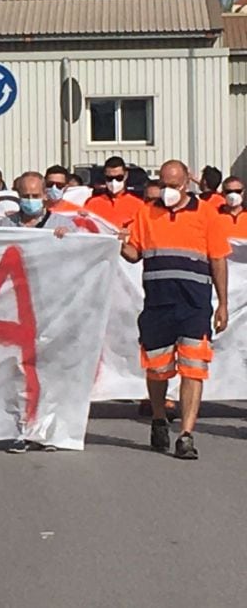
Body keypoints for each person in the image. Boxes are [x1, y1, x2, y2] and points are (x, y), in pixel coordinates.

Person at [121, 160, 229, 460]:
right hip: (158, 304)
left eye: (174, 185)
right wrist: (117, 241)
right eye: (164, 184)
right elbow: (134, 254)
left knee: (193, 369)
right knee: (158, 370)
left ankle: (186, 434)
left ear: (186, 184)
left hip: (194, 305)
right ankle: (158, 418)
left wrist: (222, 304)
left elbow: (218, 260)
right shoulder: (147, 213)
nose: (168, 190)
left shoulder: (207, 214)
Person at [84, 156, 143, 230]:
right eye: (110, 178)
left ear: (126, 175)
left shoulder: (138, 205)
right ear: (105, 176)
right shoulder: (92, 203)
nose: (114, 182)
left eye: (118, 178)